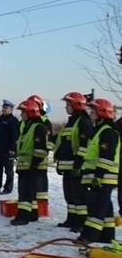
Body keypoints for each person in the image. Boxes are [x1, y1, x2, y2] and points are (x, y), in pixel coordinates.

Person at [77, 98, 120, 244]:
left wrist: (98, 176)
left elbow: (106, 156)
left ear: (101, 112)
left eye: (93, 110)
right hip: (99, 176)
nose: (90, 112)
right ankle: (107, 237)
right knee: (106, 209)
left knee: (96, 209)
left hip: (103, 177)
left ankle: (89, 237)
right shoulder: (99, 130)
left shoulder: (108, 132)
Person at [55, 92, 93, 231]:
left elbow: (85, 146)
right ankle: (71, 219)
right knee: (69, 195)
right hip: (68, 166)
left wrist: (79, 164)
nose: (66, 107)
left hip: (77, 166)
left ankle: (81, 223)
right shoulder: (72, 121)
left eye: (68, 104)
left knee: (79, 197)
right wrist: (59, 160)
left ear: (76, 105)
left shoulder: (84, 122)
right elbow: (64, 143)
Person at [11, 98, 47, 225]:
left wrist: (34, 164)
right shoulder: (27, 126)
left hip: (31, 166)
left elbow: (41, 150)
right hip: (24, 165)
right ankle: (33, 214)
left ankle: (23, 216)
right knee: (27, 191)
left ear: (30, 113)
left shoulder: (38, 127)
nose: (21, 115)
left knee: (26, 192)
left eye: (23, 112)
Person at [27, 94, 53, 205]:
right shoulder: (27, 122)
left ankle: (42, 203)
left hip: (40, 158)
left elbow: (49, 142)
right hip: (27, 160)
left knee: (40, 181)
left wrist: (42, 154)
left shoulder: (45, 123)